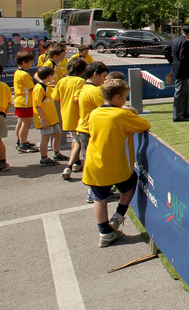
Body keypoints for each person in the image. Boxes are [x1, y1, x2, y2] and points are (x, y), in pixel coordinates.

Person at [83, 78, 151, 247]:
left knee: (99, 198)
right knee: (130, 185)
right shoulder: (121, 115)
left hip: (94, 164)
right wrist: (131, 112)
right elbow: (144, 125)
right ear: (118, 98)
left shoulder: (94, 113)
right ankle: (119, 215)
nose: (126, 101)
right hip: (116, 165)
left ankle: (104, 233)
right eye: (125, 97)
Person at [77, 61, 110, 203]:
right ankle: (94, 192)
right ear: (95, 74)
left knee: (89, 160)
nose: (104, 80)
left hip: (84, 128)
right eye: (103, 76)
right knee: (95, 162)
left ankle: (94, 190)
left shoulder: (84, 87)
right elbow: (109, 107)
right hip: (90, 130)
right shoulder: (95, 91)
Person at [55, 57, 88, 179]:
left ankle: (76, 162)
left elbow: (55, 96)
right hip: (77, 116)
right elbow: (76, 99)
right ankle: (69, 166)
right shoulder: (80, 82)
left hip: (65, 115)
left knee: (75, 139)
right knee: (78, 141)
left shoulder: (62, 81)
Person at [33, 66, 66, 166]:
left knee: (58, 134)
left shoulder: (46, 86)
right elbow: (38, 106)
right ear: (49, 76)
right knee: (45, 137)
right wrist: (43, 120)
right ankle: (44, 158)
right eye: (52, 75)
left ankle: (56, 153)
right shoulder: (39, 88)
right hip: (45, 118)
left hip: (52, 118)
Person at [165, 25, 189, 122]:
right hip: (182, 70)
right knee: (180, 92)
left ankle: (185, 112)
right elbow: (183, 59)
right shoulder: (185, 42)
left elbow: (165, 50)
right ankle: (178, 115)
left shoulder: (175, 40)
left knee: (184, 92)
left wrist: (173, 62)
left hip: (178, 69)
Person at [14, 51, 37, 153]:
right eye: (30, 62)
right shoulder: (25, 75)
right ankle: (23, 143)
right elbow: (31, 88)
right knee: (26, 123)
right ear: (23, 62)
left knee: (20, 122)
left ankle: (20, 140)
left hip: (19, 101)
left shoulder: (17, 72)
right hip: (26, 102)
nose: (32, 64)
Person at [0, 65, 12, 171]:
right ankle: (2, 161)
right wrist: (4, 112)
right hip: (1, 113)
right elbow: (9, 101)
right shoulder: (4, 86)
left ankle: (2, 162)